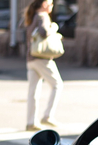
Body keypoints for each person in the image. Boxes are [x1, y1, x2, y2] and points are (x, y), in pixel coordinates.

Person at [24, 0, 63, 131]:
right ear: (44, 4)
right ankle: (48, 116)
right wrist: (54, 27)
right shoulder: (42, 16)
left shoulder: (32, 16)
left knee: (33, 92)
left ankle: (31, 123)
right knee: (57, 84)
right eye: (51, 3)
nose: (52, 6)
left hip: (31, 59)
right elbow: (44, 32)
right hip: (42, 58)